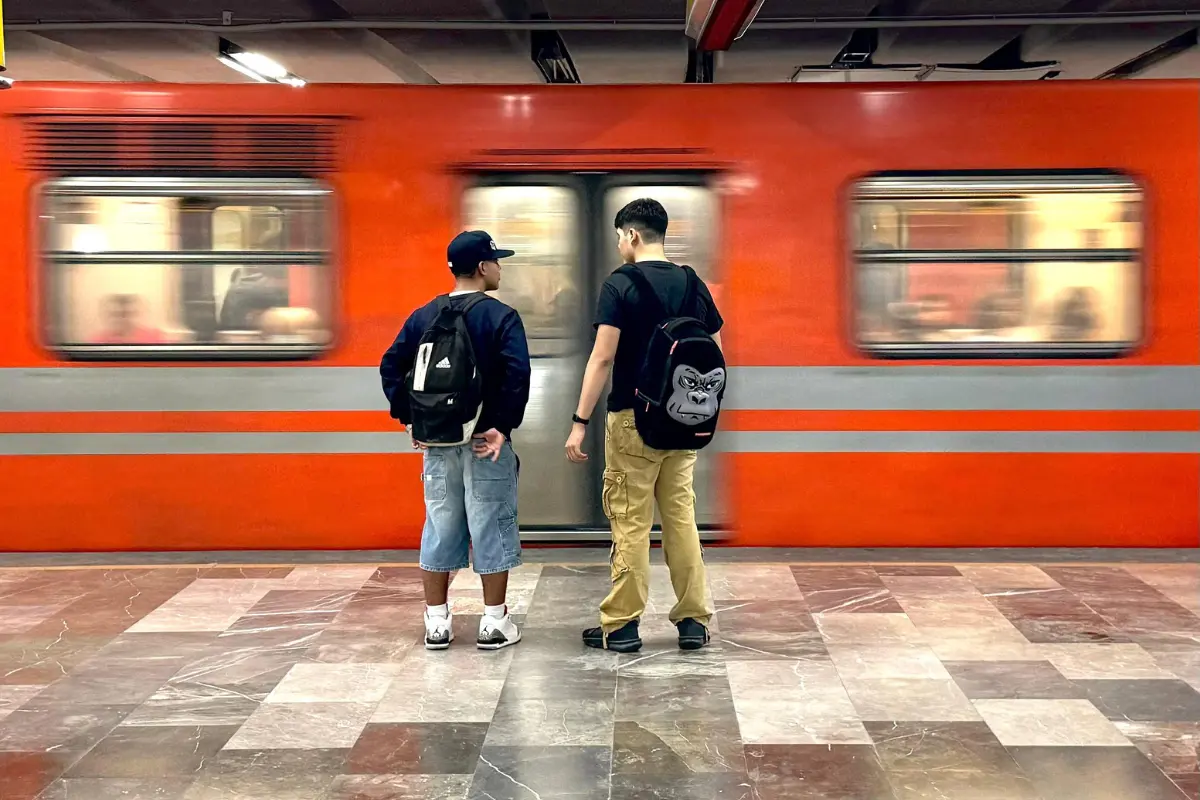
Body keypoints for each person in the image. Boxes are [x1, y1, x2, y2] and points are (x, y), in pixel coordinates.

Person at [565, 198, 723, 653]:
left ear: (632, 235)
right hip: (681, 422)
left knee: (631, 522)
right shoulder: (693, 284)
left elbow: (602, 357)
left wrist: (579, 422)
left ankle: (623, 625)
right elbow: (714, 353)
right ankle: (693, 622)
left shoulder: (620, 285)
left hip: (633, 421)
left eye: (619, 236)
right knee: (681, 519)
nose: (619, 244)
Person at [380, 231, 531, 651]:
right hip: (485, 440)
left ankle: (437, 623)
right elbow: (517, 375)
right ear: (483, 267)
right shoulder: (500, 317)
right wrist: (501, 425)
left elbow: (391, 366)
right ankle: (494, 623)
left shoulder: (424, 315)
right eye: (497, 261)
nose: (500, 267)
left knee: (440, 524)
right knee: (491, 522)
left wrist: (411, 420)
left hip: (439, 439)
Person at [90, 294, 167, 344]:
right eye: (116, 315)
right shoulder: (98, 341)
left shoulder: (155, 336)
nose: (122, 319)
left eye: (127, 314)